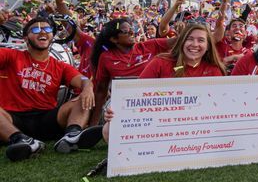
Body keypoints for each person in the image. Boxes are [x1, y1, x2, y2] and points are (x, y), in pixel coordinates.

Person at [0, 17, 103, 161]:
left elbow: (83, 80)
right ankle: (21, 140)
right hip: (12, 119)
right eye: (35, 29)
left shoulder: (60, 66)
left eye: (47, 29)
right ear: (26, 38)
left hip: (46, 119)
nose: (42, 32)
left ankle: (72, 136)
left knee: (83, 98)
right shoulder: (11, 56)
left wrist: (87, 87)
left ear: (52, 36)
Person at [90, 18, 173, 124]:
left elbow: (177, 42)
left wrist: (183, 32)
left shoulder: (149, 46)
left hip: (154, 103)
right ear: (114, 39)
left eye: (131, 29)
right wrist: (93, 124)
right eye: (126, 31)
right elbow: (101, 91)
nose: (132, 32)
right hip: (125, 108)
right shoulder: (106, 57)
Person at [139, 24, 225, 78]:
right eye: (189, 39)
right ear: (182, 43)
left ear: (208, 46)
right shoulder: (160, 63)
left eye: (201, 40)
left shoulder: (213, 70)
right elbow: (138, 92)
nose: (195, 44)